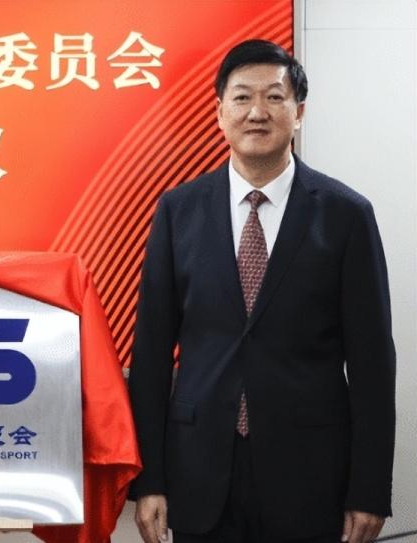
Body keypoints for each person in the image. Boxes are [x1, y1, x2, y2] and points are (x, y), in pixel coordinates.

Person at [129, 40, 395, 543]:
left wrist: (369, 489)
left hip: (312, 477)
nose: (257, 112)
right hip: (200, 472)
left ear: (299, 112)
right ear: (219, 112)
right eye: (242, 98)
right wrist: (149, 480)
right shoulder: (177, 211)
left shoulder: (346, 215)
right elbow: (151, 358)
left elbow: (373, 364)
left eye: (274, 97)